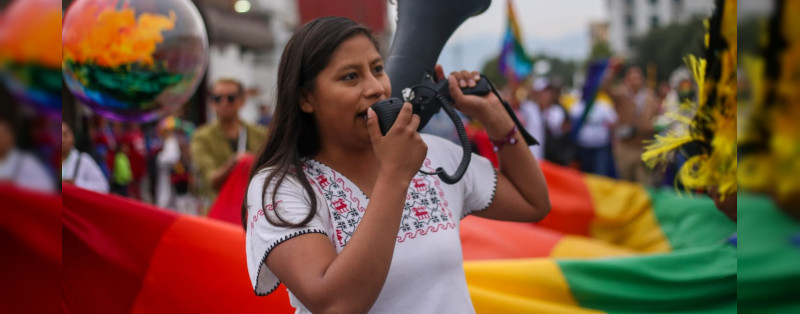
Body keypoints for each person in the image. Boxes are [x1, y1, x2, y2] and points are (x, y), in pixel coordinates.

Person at [244, 17, 550, 313]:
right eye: (350, 76)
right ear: (306, 99)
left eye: (378, 69)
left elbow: (532, 202)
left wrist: (494, 116)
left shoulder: (430, 155)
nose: (376, 87)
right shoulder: (281, 188)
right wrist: (395, 176)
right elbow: (336, 305)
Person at [191, 78, 267, 202]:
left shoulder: (261, 134)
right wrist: (235, 162)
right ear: (211, 103)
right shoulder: (201, 137)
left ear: (242, 101)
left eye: (230, 98)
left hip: (255, 207)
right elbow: (211, 179)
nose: (224, 103)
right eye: (217, 99)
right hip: (219, 210)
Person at [602, 62, 660, 186]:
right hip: (625, 148)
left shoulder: (650, 97)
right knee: (626, 185)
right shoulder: (621, 95)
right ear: (626, 80)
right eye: (631, 78)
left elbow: (656, 118)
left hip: (643, 146)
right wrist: (612, 70)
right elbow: (605, 87)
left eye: (637, 78)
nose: (635, 81)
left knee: (645, 185)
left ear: (642, 80)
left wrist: (652, 127)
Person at [0, 118, 54, 192]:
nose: (1, 138)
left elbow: (47, 187)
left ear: (11, 137)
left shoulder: (25, 160)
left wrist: (14, 185)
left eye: (3, 134)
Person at [61, 122, 109, 194]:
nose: (62, 140)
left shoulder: (83, 160)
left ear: (73, 138)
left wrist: (76, 183)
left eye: (65, 135)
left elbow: (103, 187)